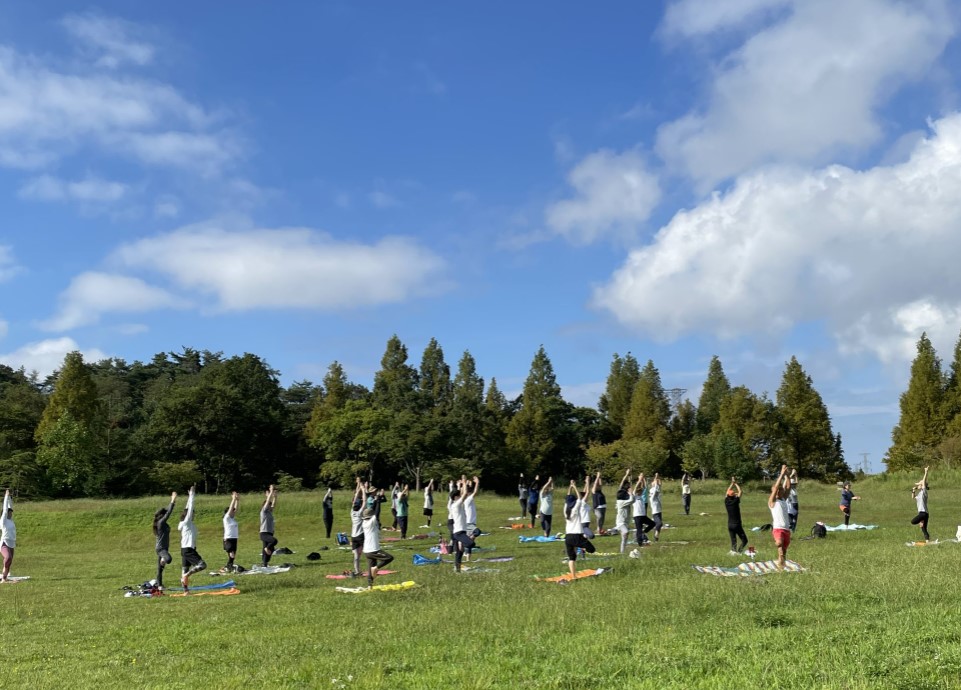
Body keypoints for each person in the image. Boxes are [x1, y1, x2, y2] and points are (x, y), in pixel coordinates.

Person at [360, 483, 394, 588]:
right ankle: (377, 568)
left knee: (370, 567)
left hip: (367, 551)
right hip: (373, 549)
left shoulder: (364, 523)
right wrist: (378, 499)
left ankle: (370, 586)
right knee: (389, 558)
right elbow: (377, 512)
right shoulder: (371, 522)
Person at [563, 476, 597, 579]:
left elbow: (568, 497)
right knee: (592, 550)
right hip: (576, 536)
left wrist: (571, 486)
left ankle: (573, 577)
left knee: (572, 558)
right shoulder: (575, 509)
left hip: (568, 537)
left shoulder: (566, 510)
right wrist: (574, 486)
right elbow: (579, 498)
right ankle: (583, 548)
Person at [178, 485, 207, 591]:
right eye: (192, 514)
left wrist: (189, 496)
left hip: (186, 549)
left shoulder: (184, 523)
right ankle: (187, 575)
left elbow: (187, 508)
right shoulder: (187, 522)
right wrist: (192, 494)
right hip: (188, 550)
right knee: (202, 565)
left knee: (184, 568)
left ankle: (185, 591)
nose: (193, 515)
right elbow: (189, 508)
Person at [450, 475, 479, 573]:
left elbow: (464, 494)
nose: (461, 496)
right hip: (458, 533)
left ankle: (457, 570)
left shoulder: (457, 504)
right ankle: (458, 567)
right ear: (455, 497)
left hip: (460, 531)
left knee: (459, 552)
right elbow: (465, 493)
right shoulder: (455, 505)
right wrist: (464, 482)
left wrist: (461, 485)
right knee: (471, 543)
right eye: (458, 495)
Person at [768, 465, 792, 569]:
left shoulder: (782, 500)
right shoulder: (772, 502)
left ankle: (781, 564)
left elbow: (788, 487)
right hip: (778, 528)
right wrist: (781, 474)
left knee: (784, 550)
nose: (778, 492)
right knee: (779, 543)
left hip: (786, 528)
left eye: (780, 491)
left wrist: (787, 476)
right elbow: (776, 488)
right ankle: (781, 559)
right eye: (776, 491)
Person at [151, 491, 176, 589]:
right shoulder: (160, 523)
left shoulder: (162, 523)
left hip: (163, 547)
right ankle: (163, 559)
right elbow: (168, 513)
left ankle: (159, 585)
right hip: (161, 549)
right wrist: (173, 500)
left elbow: (167, 513)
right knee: (168, 559)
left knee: (160, 569)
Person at [725, 478, 748, 554]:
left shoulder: (726, 501)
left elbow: (727, 492)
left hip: (730, 525)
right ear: (734, 496)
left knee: (733, 541)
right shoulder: (735, 501)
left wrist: (732, 484)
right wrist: (735, 484)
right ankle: (739, 552)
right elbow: (740, 491)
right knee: (745, 540)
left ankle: (733, 552)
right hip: (737, 525)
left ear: (728, 496)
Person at [631, 474, 655, 546]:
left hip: (643, 515)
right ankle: (640, 543)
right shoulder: (634, 496)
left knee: (653, 524)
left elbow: (644, 487)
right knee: (639, 530)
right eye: (640, 491)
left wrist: (642, 480)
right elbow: (635, 488)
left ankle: (644, 532)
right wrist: (639, 480)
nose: (641, 492)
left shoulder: (641, 497)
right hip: (637, 516)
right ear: (638, 492)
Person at [349, 479, 365, 576]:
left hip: (353, 536)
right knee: (367, 553)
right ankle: (372, 567)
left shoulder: (352, 513)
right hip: (360, 535)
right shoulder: (360, 513)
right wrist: (363, 489)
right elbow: (365, 501)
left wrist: (358, 485)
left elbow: (355, 499)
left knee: (356, 555)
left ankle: (357, 571)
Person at [614, 470, 633, 553]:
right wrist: (631, 493)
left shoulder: (623, 495)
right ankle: (614, 529)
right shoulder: (621, 501)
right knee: (626, 532)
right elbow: (632, 500)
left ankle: (622, 553)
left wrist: (627, 475)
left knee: (624, 538)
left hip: (625, 521)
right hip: (620, 522)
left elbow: (622, 483)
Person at [260, 484, 279, 567]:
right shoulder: (263, 512)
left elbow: (273, 505)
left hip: (270, 532)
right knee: (274, 541)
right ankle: (267, 548)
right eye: (269, 505)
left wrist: (275, 497)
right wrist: (270, 492)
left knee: (270, 549)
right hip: (264, 533)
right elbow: (267, 501)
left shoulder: (270, 512)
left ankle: (265, 564)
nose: (271, 506)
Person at [910, 466, 930, 542]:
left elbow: (924, 481)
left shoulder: (924, 492)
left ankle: (921, 520)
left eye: (919, 484)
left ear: (922, 486)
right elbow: (913, 497)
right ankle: (927, 541)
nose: (918, 485)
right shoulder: (919, 495)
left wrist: (926, 472)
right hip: (924, 514)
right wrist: (913, 490)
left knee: (913, 521)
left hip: (923, 513)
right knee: (923, 528)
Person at [222, 491, 239, 573]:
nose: (234, 512)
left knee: (233, 556)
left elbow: (235, 509)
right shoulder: (226, 518)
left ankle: (229, 566)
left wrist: (237, 500)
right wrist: (233, 499)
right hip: (228, 538)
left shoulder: (232, 519)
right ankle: (229, 566)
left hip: (234, 538)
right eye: (232, 511)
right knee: (231, 552)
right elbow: (231, 508)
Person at [463, 477, 480, 561]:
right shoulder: (468, 499)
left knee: (469, 541)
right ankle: (466, 545)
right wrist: (477, 482)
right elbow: (475, 491)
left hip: (471, 523)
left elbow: (470, 490)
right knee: (477, 532)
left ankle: (467, 558)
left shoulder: (468, 499)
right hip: (469, 523)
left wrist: (467, 483)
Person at [649, 473, 663, 542]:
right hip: (655, 513)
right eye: (654, 482)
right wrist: (656, 477)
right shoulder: (652, 496)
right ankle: (655, 535)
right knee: (660, 524)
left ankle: (656, 538)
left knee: (659, 525)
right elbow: (655, 490)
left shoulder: (656, 492)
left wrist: (657, 478)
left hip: (659, 511)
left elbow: (659, 486)